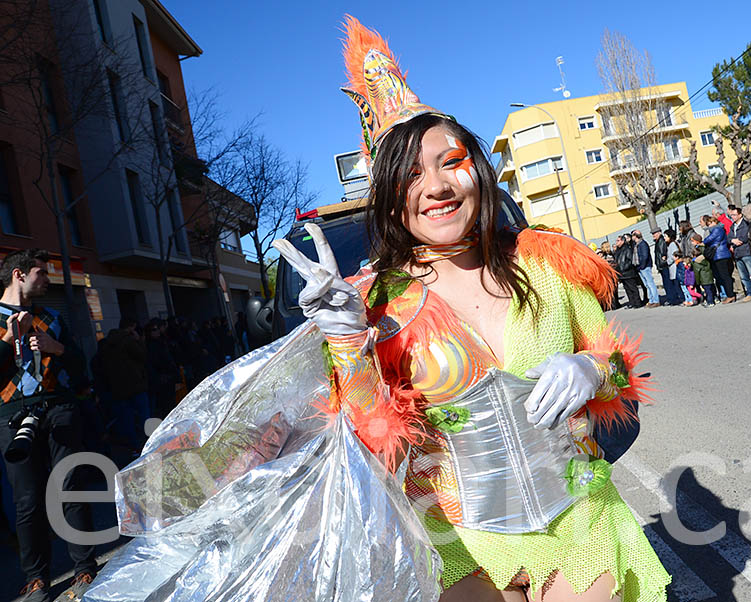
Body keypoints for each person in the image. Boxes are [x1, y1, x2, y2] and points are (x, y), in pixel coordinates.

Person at [88, 17, 670, 602]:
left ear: (480, 172)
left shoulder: (547, 262)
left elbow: (616, 361)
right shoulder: (377, 304)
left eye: (452, 160)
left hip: (576, 516)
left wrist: (592, 371)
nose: (436, 186)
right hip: (453, 543)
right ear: (390, 198)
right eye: (411, 174)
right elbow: (371, 441)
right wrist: (347, 341)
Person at [0, 249, 96, 602]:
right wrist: (8, 340)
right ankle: (37, 580)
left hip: (58, 408)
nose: (48, 279)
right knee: (27, 500)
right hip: (11, 417)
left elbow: (80, 362)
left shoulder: (53, 317)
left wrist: (57, 347)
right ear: (19, 275)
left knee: (69, 487)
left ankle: (85, 567)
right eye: (41, 272)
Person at [104, 318, 150, 451]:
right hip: (135, 384)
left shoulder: (108, 342)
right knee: (143, 417)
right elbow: (143, 356)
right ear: (131, 327)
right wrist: (139, 341)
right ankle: (147, 445)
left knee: (126, 419)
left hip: (117, 386)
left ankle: (134, 448)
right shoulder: (129, 341)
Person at [726, 205, 751, 301]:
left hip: (746, 252)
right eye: (731, 215)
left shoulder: (745, 224)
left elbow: (745, 236)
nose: (732, 217)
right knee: (743, 276)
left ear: (740, 215)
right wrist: (732, 241)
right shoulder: (732, 226)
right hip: (737, 253)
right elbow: (728, 238)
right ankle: (750, 293)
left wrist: (737, 240)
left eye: (734, 215)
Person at [701, 215, 735, 303]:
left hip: (720, 255)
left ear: (714, 222)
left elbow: (708, 239)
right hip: (721, 254)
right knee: (725, 276)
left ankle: (730, 295)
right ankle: (730, 294)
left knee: (725, 276)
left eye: (710, 223)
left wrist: (702, 242)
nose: (709, 226)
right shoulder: (719, 229)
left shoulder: (717, 229)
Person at [614, 234, 644, 309]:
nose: (616, 242)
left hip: (628, 273)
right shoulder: (618, 250)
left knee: (633, 288)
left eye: (618, 240)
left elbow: (630, 260)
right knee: (627, 289)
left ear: (622, 241)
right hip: (622, 274)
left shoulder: (627, 249)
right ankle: (632, 303)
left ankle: (638, 302)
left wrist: (624, 268)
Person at [632, 230, 659, 307]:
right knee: (647, 285)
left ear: (636, 236)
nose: (632, 237)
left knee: (650, 284)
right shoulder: (636, 244)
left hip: (645, 267)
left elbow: (645, 256)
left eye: (633, 235)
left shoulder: (643, 244)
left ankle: (655, 300)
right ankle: (651, 300)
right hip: (640, 267)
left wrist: (642, 266)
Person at [652, 228, 677, 306]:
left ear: (659, 233)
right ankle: (671, 298)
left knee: (668, 283)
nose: (653, 235)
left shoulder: (661, 241)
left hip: (664, 265)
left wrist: (664, 262)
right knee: (666, 283)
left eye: (654, 233)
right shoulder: (658, 241)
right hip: (662, 265)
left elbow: (663, 253)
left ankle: (672, 299)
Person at [664, 229, 683, 305]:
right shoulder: (671, 244)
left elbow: (674, 255)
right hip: (673, 267)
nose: (664, 237)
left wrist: (667, 262)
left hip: (674, 267)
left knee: (677, 286)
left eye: (665, 236)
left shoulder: (672, 244)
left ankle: (681, 299)